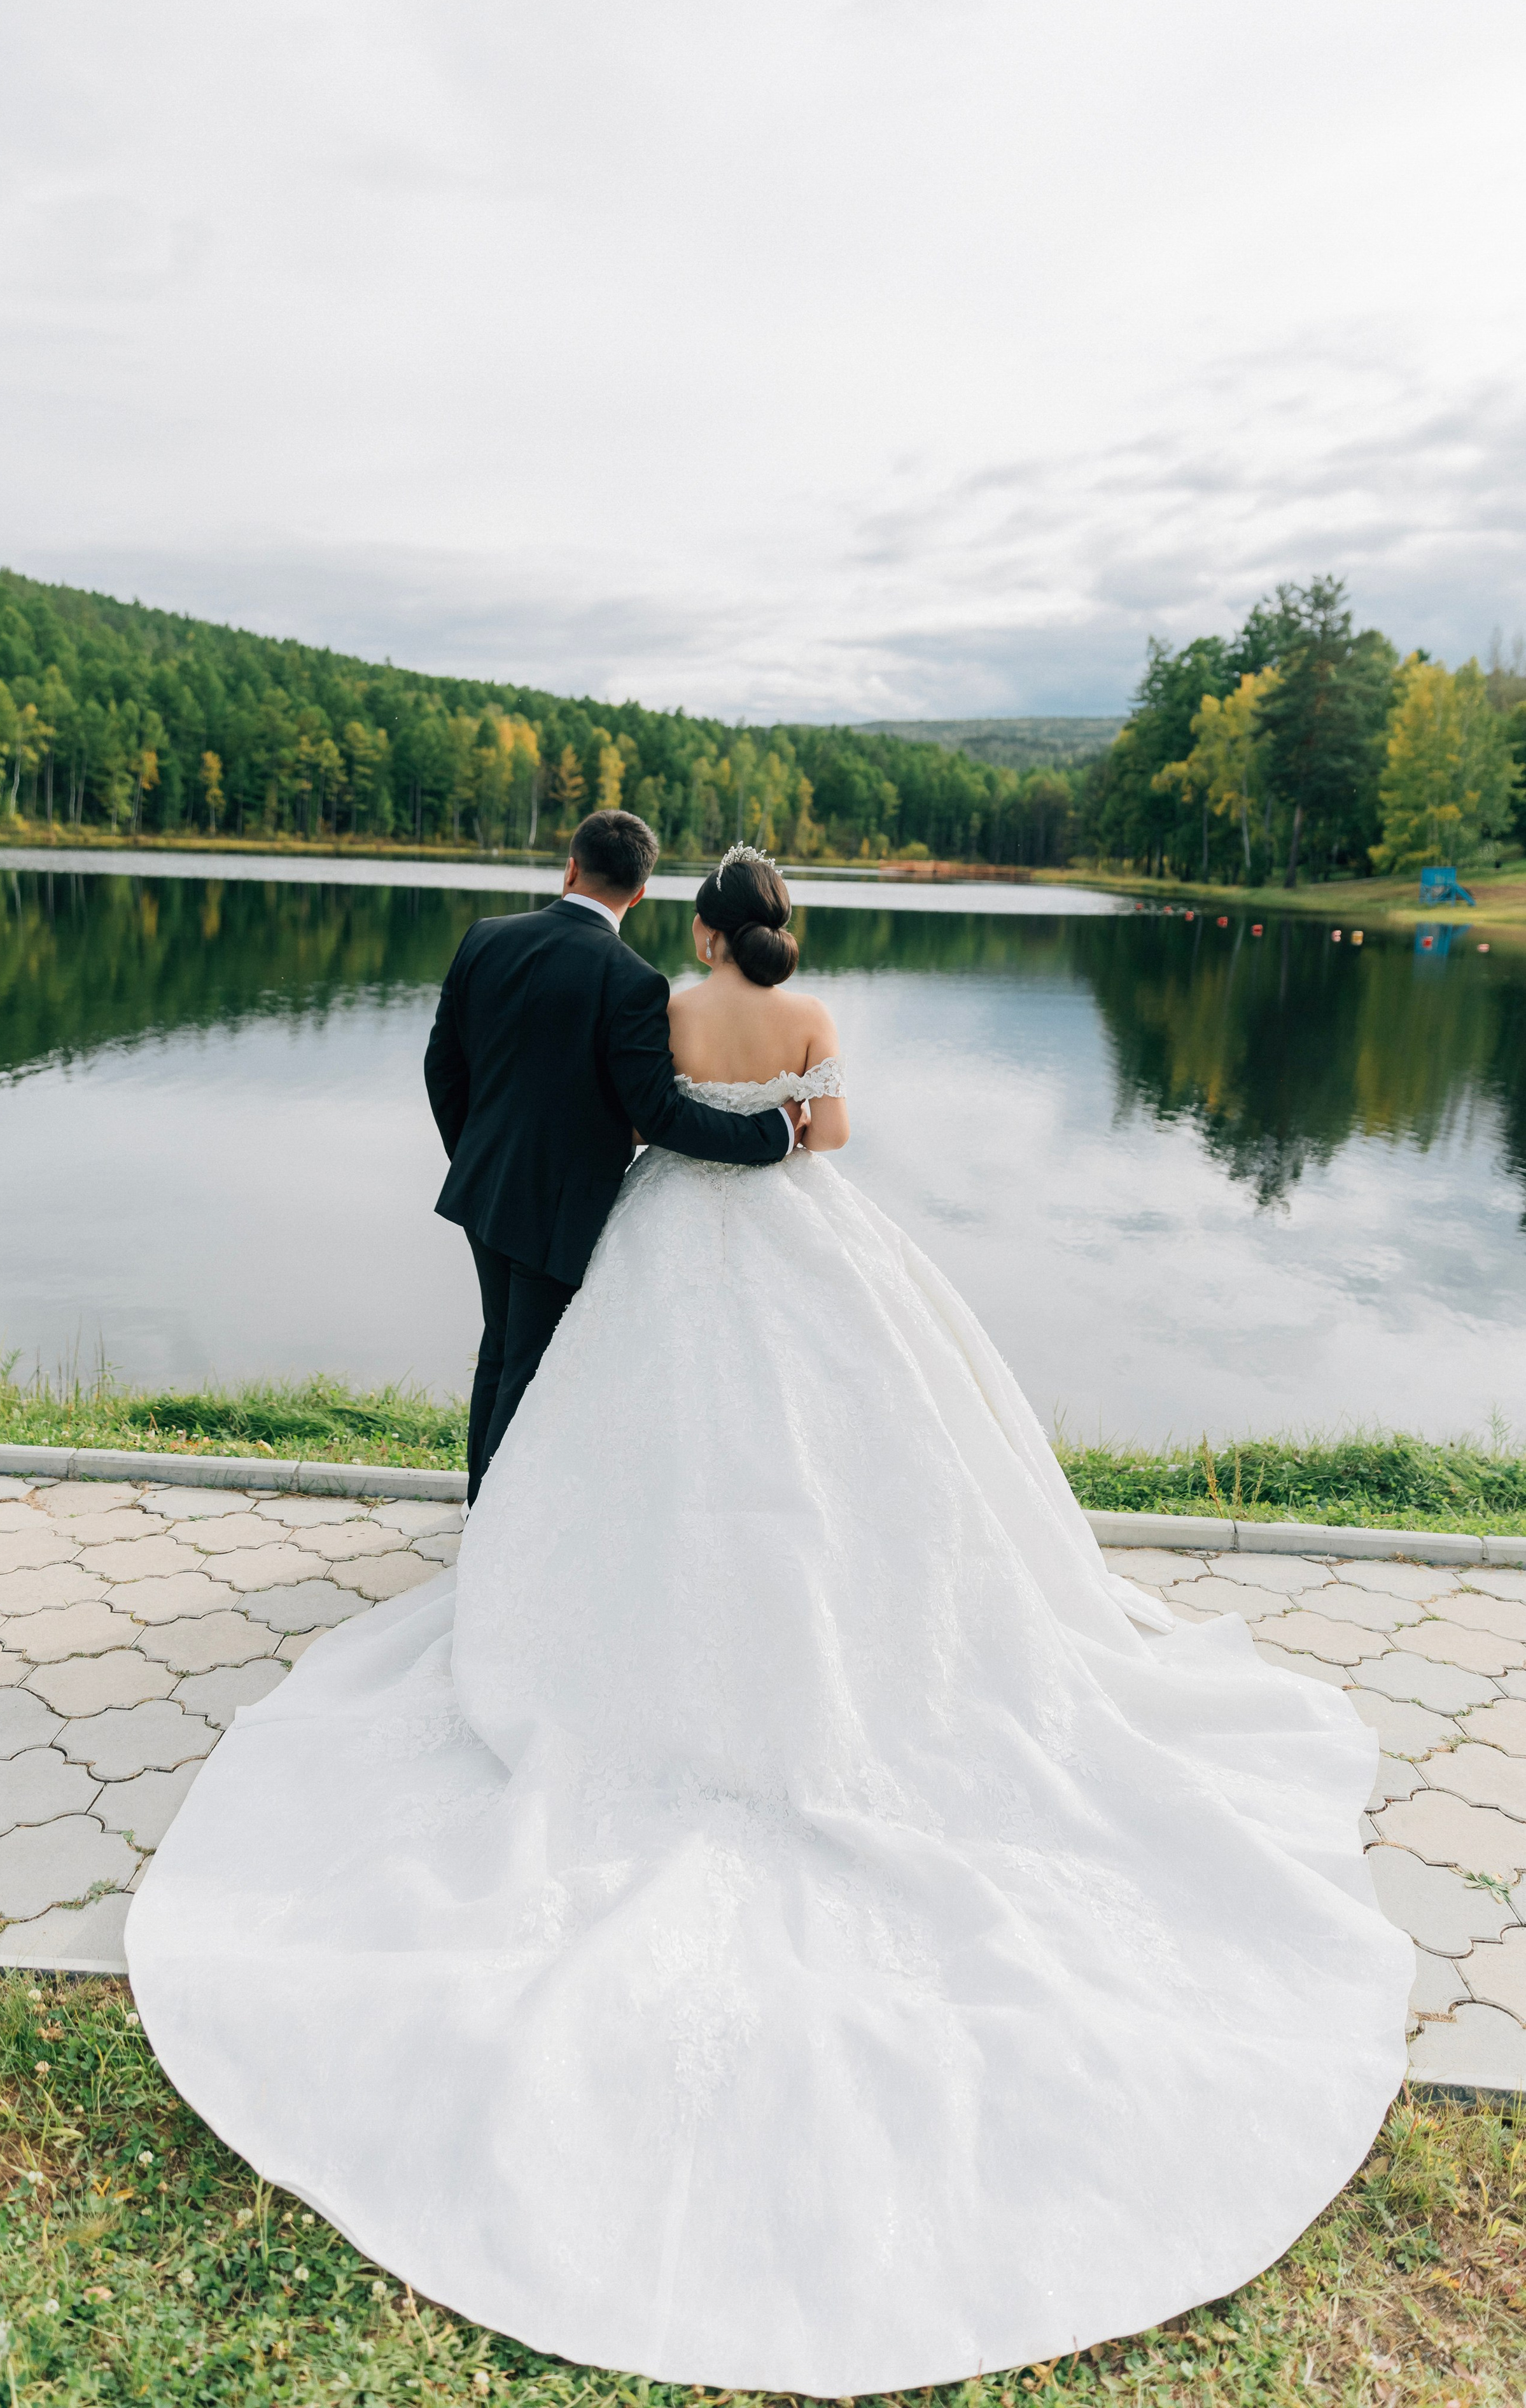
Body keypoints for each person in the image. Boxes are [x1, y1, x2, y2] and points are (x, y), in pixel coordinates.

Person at [128, 838, 1411, 2396]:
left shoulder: (653, 998)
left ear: (697, 924)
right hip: (793, 1245)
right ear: (778, 929)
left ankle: (548, 1592)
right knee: (842, 1458)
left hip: (660, 1240)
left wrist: (663, 1143)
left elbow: (637, 1116)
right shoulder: (803, 1020)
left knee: (619, 1437)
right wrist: (785, 1123)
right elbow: (831, 1136)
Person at [423, 807, 801, 1501]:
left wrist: (473, 1154)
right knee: (526, 1365)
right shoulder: (633, 981)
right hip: (560, 1203)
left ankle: (482, 1509)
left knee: (500, 1349)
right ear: (641, 893)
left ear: (570, 867)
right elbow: (656, 1114)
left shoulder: (486, 939)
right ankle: (497, 1530)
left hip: (481, 1188)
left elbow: (442, 1067)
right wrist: (769, 1135)